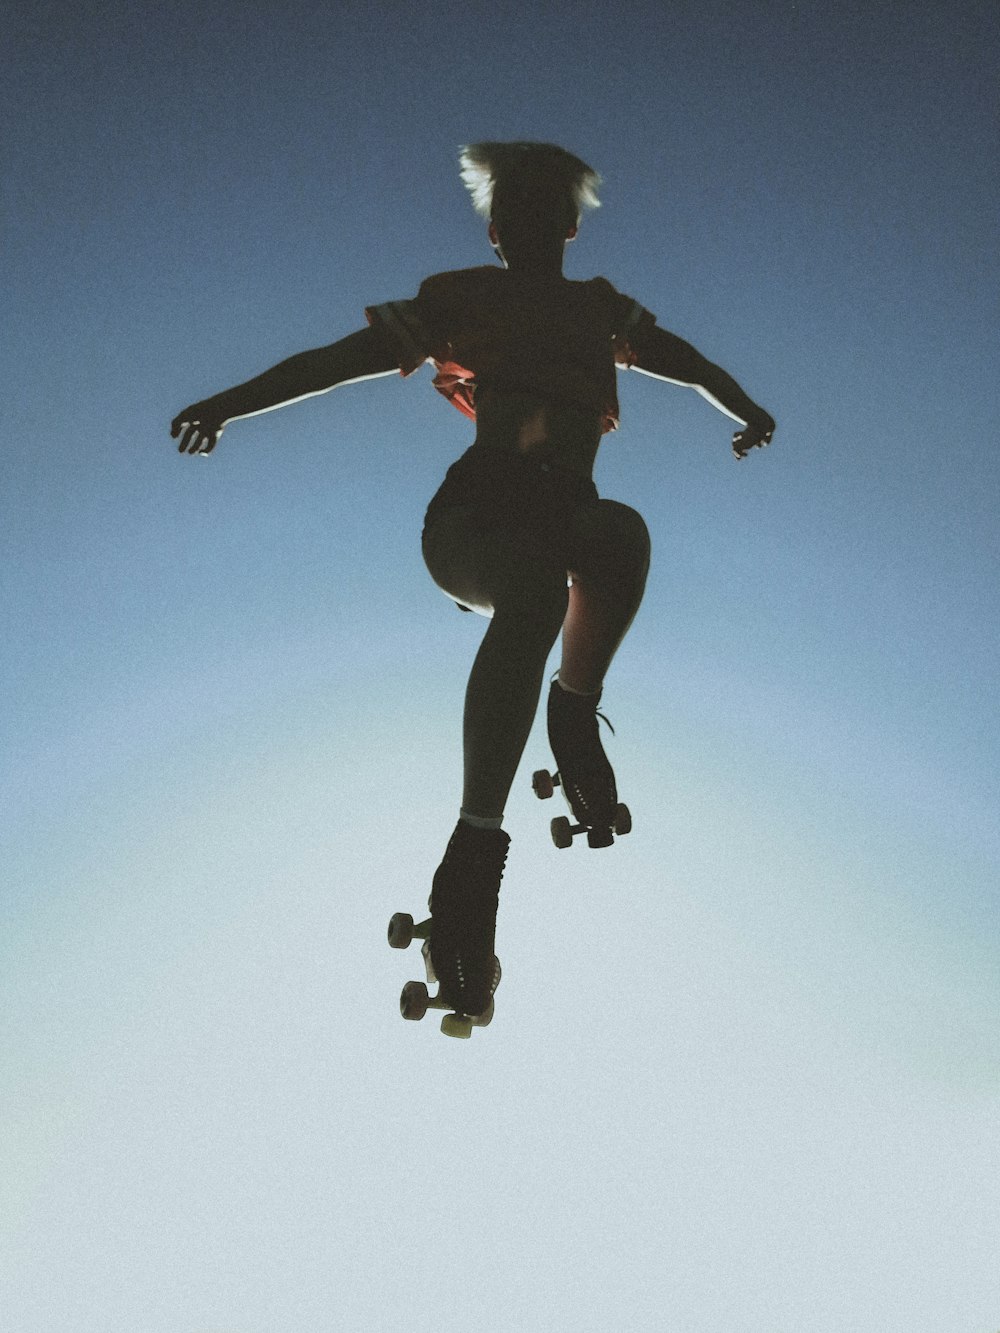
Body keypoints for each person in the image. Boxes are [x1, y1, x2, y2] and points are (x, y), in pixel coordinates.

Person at [171, 141, 775, 1031]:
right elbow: (334, 360)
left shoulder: (598, 308)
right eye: (515, 215)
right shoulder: (463, 297)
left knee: (620, 534)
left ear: (566, 227)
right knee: (532, 590)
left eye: (546, 213)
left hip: (568, 509)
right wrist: (225, 402)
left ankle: (571, 712)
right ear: (498, 234)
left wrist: (746, 407)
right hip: (476, 521)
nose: (530, 228)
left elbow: (683, 359)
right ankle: (471, 863)